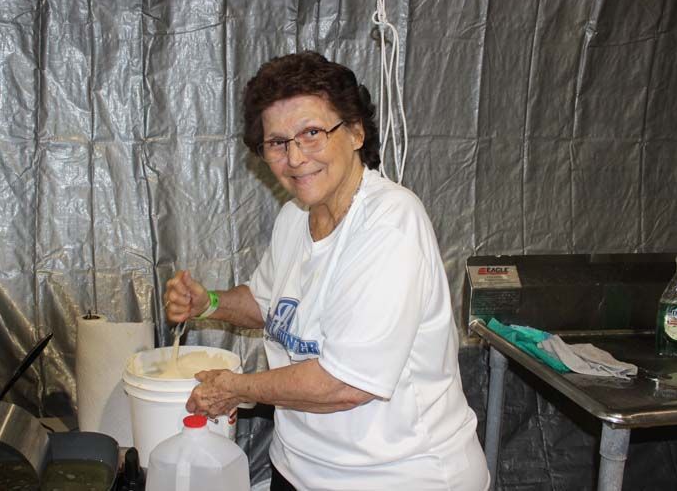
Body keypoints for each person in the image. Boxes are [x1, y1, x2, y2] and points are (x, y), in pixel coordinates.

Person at [164, 51, 489, 490]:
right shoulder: (295, 218)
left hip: (396, 475)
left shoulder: (390, 223)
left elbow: (345, 383)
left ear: (355, 131)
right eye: (277, 142)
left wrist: (238, 388)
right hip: (300, 468)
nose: (295, 158)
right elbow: (269, 304)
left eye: (312, 133)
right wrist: (210, 304)